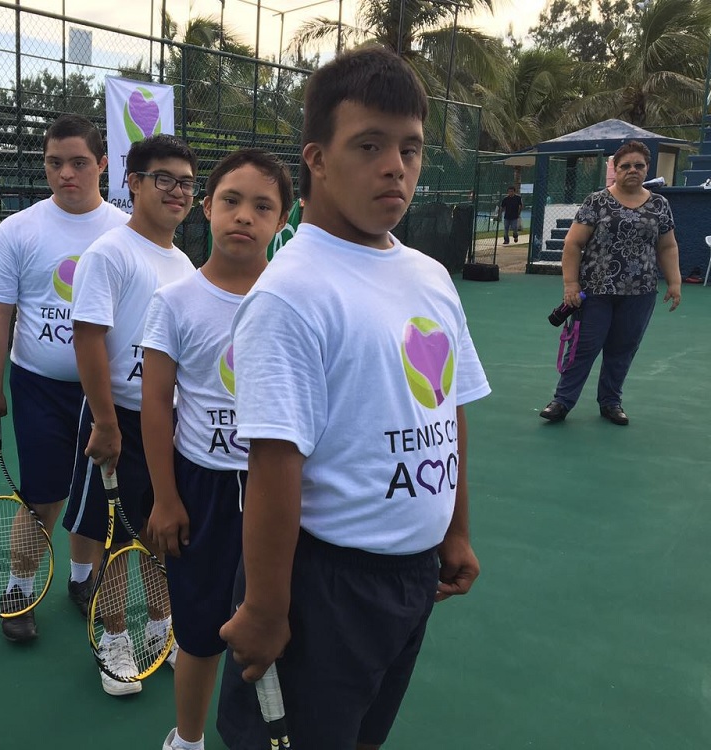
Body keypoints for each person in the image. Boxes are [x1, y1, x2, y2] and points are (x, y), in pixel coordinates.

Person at [215, 45, 492, 749]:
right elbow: (274, 463)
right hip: (325, 586)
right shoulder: (292, 292)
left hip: (413, 578)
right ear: (316, 158)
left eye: (410, 148)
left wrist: (452, 530)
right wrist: (265, 608)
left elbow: (447, 408)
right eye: (368, 145)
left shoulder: (429, 276)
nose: (395, 165)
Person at [141, 149, 293, 750]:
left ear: (282, 221)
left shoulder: (292, 299)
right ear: (206, 207)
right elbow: (156, 405)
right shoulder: (176, 301)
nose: (244, 216)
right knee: (201, 631)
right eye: (231, 200)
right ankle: (189, 738)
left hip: (279, 488)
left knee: (279, 623)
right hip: (202, 489)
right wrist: (166, 498)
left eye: (263, 206)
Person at [0, 114, 128, 643]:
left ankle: (83, 581)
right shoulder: (19, 229)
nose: (66, 174)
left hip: (105, 393)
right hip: (37, 386)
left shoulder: (127, 231)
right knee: (43, 495)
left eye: (79, 163)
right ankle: (19, 588)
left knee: (96, 497)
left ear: (102, 164)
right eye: (54, 163)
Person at [62, 133, 199, 696]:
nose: (177, 191)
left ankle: (160, 629)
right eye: (163, 179)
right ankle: (113, 640)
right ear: (134, 183)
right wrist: (106, 422)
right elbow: (87, 338)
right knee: (114, 537)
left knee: (162, 535)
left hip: (168, 423)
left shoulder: (185, 262)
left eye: (187, 182)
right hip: (116, 416)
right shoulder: (110, 253)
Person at [539, 140, 681, 426]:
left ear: (647, 169)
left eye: (638, 165)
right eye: (625, 165)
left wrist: (675, 282)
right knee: (583, 347)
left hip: (639, 293)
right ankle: (562, 401)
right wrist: (570, 284)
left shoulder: (659, 205)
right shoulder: (597, 201)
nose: (632, 170)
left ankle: (611, 402)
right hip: (595, 292)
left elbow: (667, 247)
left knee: (623, 348)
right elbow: (573, 244)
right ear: (615, 169)